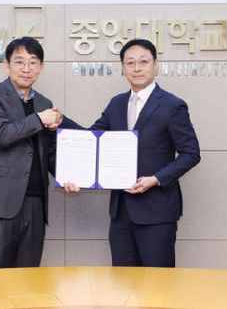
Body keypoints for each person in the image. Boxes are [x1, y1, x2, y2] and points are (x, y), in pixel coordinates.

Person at [62, 39, 200, 267]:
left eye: (143, 62)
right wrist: (61, 122)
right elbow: (91, 140)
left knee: (158, 282)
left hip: (157, 212)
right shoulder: (116, 103)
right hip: (121, 213)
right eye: (130, 62)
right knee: (123, 282)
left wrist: (155, 179)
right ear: (123, 68)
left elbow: (191, 153)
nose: (137, 68)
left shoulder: (172, 105)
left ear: (155, 65)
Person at [0, 36, 65, 269]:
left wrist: (68, 176)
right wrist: (40, 119)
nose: (26, 68)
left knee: (28, 277)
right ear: (7, 65)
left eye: (33, 62)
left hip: (35, 203)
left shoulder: (44, 103)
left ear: (41, 68)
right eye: (19, 61)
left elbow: (47, 153)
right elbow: (2, 135)